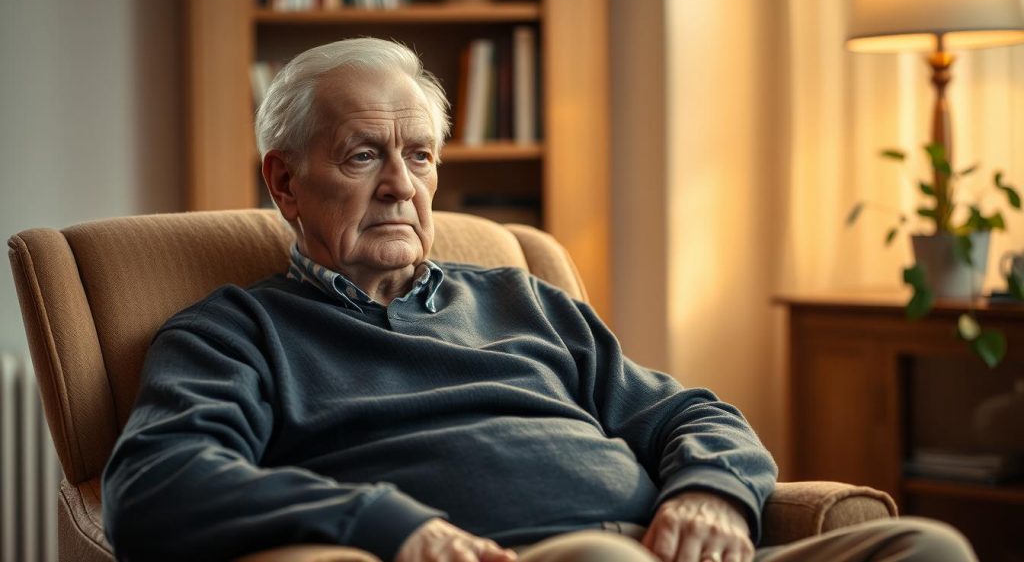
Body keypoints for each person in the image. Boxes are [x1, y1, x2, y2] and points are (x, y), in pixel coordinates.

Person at [101, 38, 976, 562]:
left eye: (421, 156)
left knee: (924, 547)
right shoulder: (237, 333)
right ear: (284, 181)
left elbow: (689, 411)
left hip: (659, 546)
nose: (402, 186)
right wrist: (382, 519)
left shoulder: (523, 298)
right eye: (364, 154)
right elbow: (153, 484)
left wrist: (709, 489)